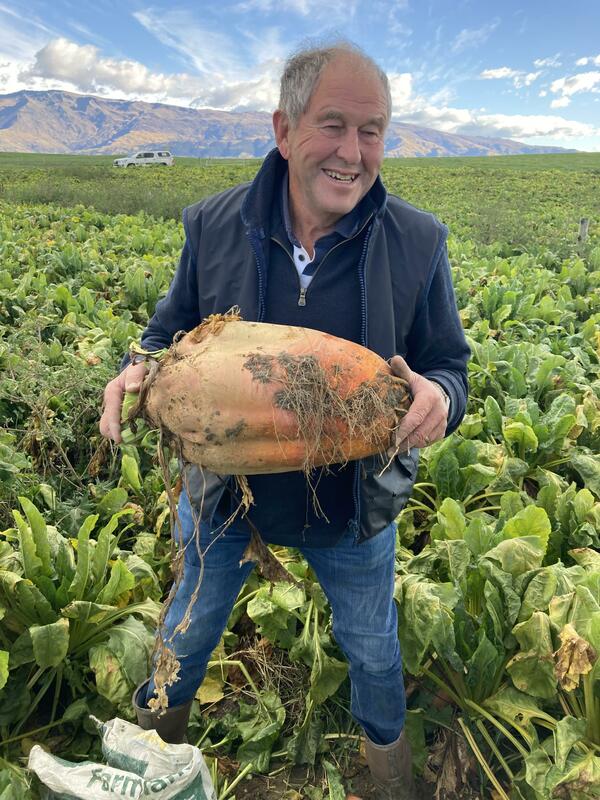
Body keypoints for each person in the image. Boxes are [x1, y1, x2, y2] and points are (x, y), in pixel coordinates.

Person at [100, 40, 469, 800]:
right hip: (224, 493)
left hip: (354, 501)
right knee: (186, 633)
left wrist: (441, 397)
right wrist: (140, 366)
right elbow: (170, 329)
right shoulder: (213, 224)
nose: (352, 151)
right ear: (283, 128)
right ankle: (144, 763)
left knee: (372, 648)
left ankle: (391, 782)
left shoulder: (419, 240)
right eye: (332, 125)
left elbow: (449, 366)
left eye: (371, 130)